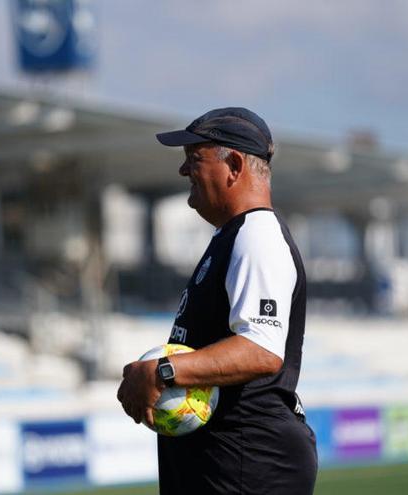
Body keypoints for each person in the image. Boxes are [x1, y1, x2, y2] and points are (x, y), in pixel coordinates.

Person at [117, 107, 317, 494]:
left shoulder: (257, 235)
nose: (182, 171)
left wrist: (162, 373)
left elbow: (261, 349)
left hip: (247, 467)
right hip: (229, 467)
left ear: (235, 165)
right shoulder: (234, 235)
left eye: (194, 159)